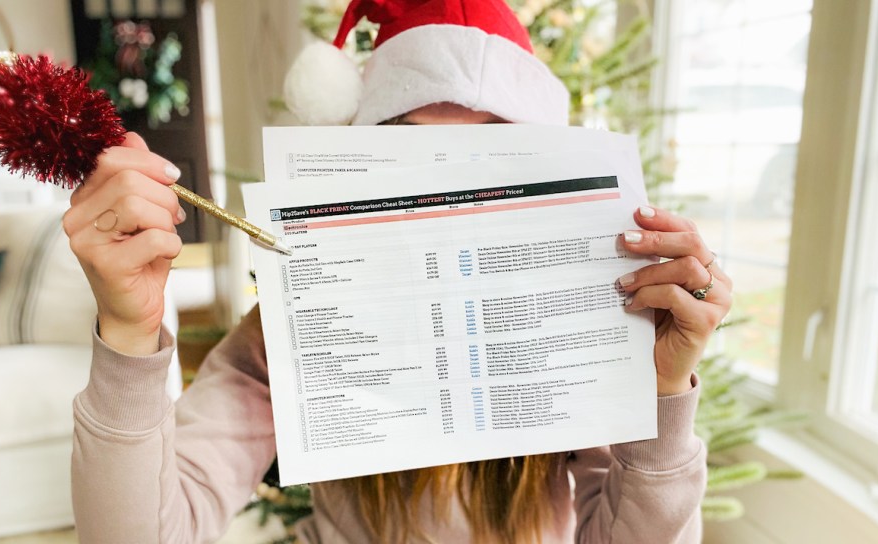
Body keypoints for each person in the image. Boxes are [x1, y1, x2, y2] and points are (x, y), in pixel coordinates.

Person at [64, 1, 731, 543]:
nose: (449, 200)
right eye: (411, 150)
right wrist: (129, 334)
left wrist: (662, 392)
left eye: (489, 154)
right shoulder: (285, 336)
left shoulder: (581, 331)